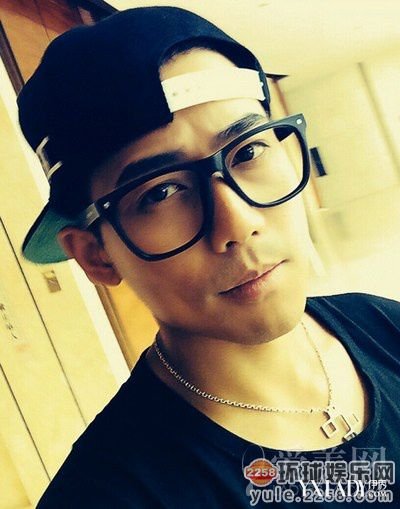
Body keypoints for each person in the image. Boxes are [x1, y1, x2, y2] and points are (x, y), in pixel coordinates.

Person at [17, 6, 400, 508]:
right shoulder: (110, 495)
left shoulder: (383, 325)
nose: (238, 223)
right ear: (97, 257)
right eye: (160, 192)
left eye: (248, 151)